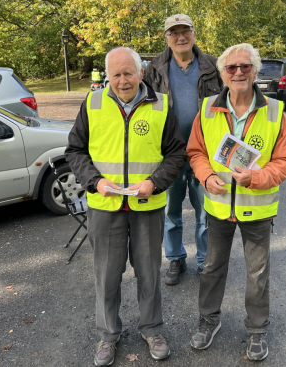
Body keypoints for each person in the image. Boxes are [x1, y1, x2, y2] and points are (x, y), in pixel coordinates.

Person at [64, 47, 187, 366]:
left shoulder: (161, 106)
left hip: (147, 206)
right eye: (115, 74)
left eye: (128, 73)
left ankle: (152, 329)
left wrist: (154, 182)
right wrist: (95, 181)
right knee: (106, 275)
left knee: (149, 273)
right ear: (108, 76)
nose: (122, 80)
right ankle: (108, 336)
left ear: (141, 73)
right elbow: (75, 150)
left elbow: (176, 153)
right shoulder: (92, 103)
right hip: (104, 206)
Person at [185, 43, 286, 361]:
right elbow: (196, 152)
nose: (238, 72)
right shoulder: (207, 109)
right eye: (231, 67)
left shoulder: (274, 112)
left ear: (255, 72)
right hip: (218, 208)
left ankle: (257, 331)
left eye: (244, 67)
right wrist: (206, 178)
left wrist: (257, 178)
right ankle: (208, 322)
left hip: (258, 209)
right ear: (221, 73)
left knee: (257, 274)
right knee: (211, 269)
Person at [144, 14, 223, 285]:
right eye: (173, 32)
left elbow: (228, 105)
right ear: (166, 37)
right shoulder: (153, 69)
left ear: (194, 33)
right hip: (169, 154)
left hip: (205, 153)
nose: (180, 37)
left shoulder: (214, 65)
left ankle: (204, 261)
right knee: (170, 212)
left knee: (206, 212)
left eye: (185, 31)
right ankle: (175, 258)